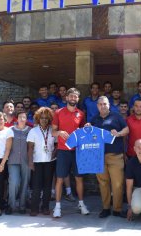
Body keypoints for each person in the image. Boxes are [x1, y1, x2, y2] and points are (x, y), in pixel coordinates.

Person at [52, 88, 89, 218]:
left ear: (78, 99)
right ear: (67, 98)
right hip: (63, 150)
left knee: (79, 178)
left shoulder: (81, 114)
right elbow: (53, 132)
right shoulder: (58, 112)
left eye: (75, 97)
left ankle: (81, 204)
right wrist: (59, 133)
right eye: (71, 96)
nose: (73, 98)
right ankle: (57, 207)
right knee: (60, 179)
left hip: (77, 151)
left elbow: (84, 131)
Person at [91, 96, 129, 218]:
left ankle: (117, 209)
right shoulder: (94, 119)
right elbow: (88, 134)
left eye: (105, 104)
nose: (102, 106)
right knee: (103, 183)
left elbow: (127, 129)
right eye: (100, 104)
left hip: (115, 156)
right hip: (99, 156)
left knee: (117, 184)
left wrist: (119, 134)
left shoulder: (116, 116)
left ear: (109, 105)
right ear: (97, 106)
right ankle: (106, 208)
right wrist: (87, 127)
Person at [27, 107, 56, 216]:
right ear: (38, 119)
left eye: (46, 118)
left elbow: (57, 144)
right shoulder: (33, 131)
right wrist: (30, 162)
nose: (44, 120)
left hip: (50, 161)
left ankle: (45, 207)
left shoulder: (53, 130)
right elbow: (30, 148)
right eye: (42, 118)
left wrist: (55, 152)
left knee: (48, 186)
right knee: (36, 186)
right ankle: (34, 208)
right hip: (37, 161)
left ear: (49, 119)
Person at [5, 111, 31, 215]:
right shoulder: (10, 130)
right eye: (20, 117)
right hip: (13, 160)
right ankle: (11, 205)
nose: (21, 119)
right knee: (14, 182)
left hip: (26, 160)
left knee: (25, 182)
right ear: (17, 118)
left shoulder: (30, 130)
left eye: (24, 117)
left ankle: (22, 206)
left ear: (26, 119)